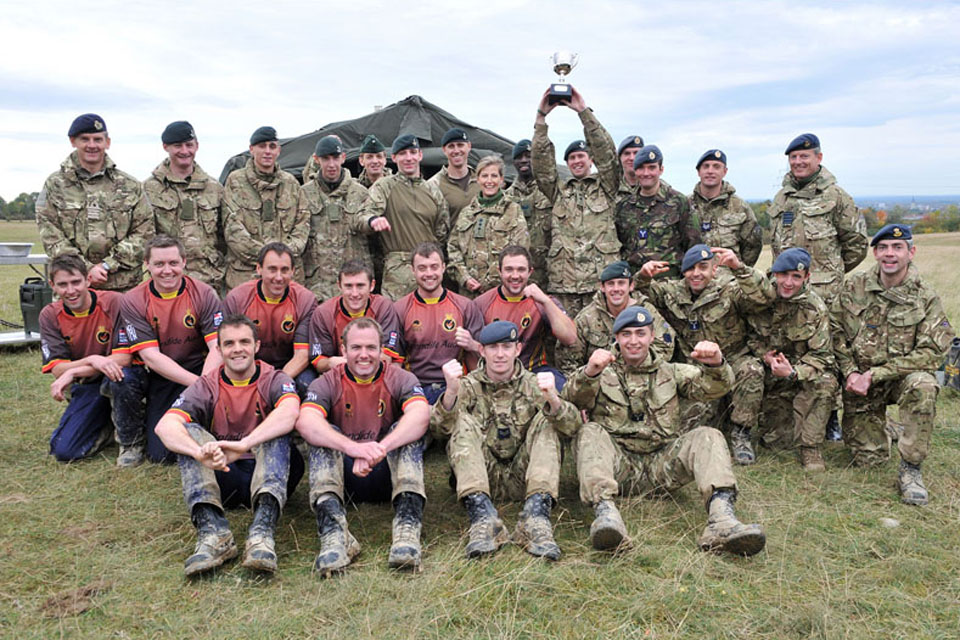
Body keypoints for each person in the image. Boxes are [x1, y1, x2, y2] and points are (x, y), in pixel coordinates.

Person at [560, 306, 766, 556]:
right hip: (617, 466)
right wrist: (589, 372)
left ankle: (722, 520)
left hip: (663, 466)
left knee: (708, 435)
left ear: (651, 335)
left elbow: (715, 388)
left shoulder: (671, 371)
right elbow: (569, 399)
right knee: (589, 431)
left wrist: (716, 364)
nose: (633, 341)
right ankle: (607, 516)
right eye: (626, 335)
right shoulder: (601, 371)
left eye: (640, 334)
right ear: (617, 338)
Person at [155, 314, 302, 576]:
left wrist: (245, 443)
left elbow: (291, 412)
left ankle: (262, 534)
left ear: (256, 346)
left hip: (270, 472)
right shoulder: (206, 385)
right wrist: (198, 452)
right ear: (219, 349)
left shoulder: (275, 378)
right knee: (185, 433)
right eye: (230, 343)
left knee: (277, 428)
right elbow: (164, 426)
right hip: (225, 475)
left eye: (244, 342)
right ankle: (214, 534)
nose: (237, 349)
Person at [432, 321, 579, 560]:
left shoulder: (533, 384)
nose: (500, 354)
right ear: (481, 351)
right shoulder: (468, 385)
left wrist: (553, 399)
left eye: (506, 347)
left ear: (517, 350)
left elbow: (572, 428)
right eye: (493, 347)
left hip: (524, 476)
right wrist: (450, 392)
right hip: (483, 477)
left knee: (547, 422)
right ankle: (482, 518)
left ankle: (536, 517)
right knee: (461, 421)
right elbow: (439, 429)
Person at [831, 224, 954, 504]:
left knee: (924, 385)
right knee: (869, 460)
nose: (890, 254)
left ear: (911, 252)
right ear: (874, 253)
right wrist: (850, 372)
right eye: (883, 248)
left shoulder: (926, 296)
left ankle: (911, 468)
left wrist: (875, 374)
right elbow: (834, 329)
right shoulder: (854, 286)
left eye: (897, 248)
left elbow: (934, 351)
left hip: (898, 379)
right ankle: (888, 426)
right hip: (859, 383)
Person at [297, 317, 431, 574]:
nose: (364, 355)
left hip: (388, 473)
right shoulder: (326, 381)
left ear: (382, 350)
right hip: (344, 477)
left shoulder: (400, 377)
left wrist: (378, 449)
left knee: (407, 433)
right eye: (356, 348)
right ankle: (334, 535)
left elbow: (421, 415)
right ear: (343, 350)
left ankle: (407, 531)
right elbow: (306, 422)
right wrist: (354, 449)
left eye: (371, 348)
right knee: (324, 436)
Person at [769, 133, 869, 442]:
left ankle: (831, 417)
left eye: (805, 157)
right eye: (794, 158)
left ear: (819, 159)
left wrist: (828, 274)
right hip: (787, 292)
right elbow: (775, 244)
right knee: (791, 348)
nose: (798, 162)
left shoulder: (836, 197)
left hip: (826, 293)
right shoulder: (781, 199)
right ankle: (788, 413)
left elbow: (856, 244)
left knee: (831, 353)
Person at [638, 246, 769, 464]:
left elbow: (764, 297)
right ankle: (720, 418)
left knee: (752, 370)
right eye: (690, 268)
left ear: (714, 270)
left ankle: (741, 432)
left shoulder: (730, 289)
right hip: (697, 368)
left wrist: (739, 267)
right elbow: (640, 292)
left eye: (703, 267)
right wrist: (642, 276)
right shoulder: (673, 291)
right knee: (685, 431)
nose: (696, 273)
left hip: (734, 359)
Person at [106, 235, 223, 466]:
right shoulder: (133, 300)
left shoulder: (204, 293)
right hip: (162, 374)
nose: (166, 270)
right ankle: (132, 441)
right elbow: (151, 356)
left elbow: (217, 348)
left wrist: (206, 385)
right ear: (146, 265)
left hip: (203, 370)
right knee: (161, 455)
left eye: (173, 263)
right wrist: (196, 385)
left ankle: (204, 426)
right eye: (159, 264)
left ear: (184, 262)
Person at [36, 113, 152, 292]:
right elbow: (50, 233)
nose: (92, 145)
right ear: (73, 141)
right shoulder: (54, 185)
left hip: (124, 287)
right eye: (85, 139)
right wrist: (86, 269)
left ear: (108, 142)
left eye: (98, 139)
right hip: (73, 287)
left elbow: (144, 232)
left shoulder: (130, 185)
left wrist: (107, 265)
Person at [532, 87, 621, 317]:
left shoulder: (607, 187)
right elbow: (541, 164)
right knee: (567, 346)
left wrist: (583, 111)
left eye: (581, 156)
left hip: (601, 284)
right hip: (565, 288)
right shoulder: (559, 192)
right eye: (572, 157)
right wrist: (541, 118)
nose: (577, 160)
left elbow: (608, 154)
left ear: (590, 160)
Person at [746, 248, 836, 470]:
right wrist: (764, 356)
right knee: (775, 442)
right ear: (774, 273)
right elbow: (746, 337)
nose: (788, 282)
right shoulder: (758, 299)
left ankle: (811, 447)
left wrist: (794, 372)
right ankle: (742, 430)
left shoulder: (815, 309)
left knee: (826, 381)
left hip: (799, 375)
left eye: (796, 277)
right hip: (769, 374)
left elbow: (822, 356)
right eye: (783, 274)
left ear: (806, 277)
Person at [39, 254, 129, 461]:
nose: (70, 291)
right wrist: (93, 360)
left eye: (76, 282)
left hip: (119, 381)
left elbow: (125, 358)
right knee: (64, 451)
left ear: (88, 280)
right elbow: (58, 369)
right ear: (52, 285)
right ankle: (107, 427)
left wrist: (74, 369)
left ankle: (130, 435)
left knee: (125, 380)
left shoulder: (115, 302)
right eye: (62, 284)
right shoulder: (49, 315)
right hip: (87, 387)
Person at [358, 135, 450, 300]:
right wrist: (373, 221)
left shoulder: (433, 190)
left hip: (428, 270)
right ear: (393, 158)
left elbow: (442, 230)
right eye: (402, 154)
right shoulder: (384, 186)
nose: (408, 158)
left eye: (413, 152)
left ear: (420, 155)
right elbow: (363, 216)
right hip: (397, 274)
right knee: (396, 322)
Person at [472, 246, 576, 387]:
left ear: (530, 272)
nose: (515, 276)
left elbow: (570, 338)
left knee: (562, 391)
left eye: (521, 270)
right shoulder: (482, 303)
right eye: (509, 269)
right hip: (495, 372)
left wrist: (546, 302)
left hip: (534, 370)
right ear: (499, 271)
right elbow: (474, 351)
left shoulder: (541, 301)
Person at [394, 243, 483, 404]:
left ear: (443, 267)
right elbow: (394, 363)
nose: (429, 273)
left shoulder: (465, 306)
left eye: (434, 267)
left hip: (457, 385)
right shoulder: (399, 309)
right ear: (412, 270)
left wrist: (472, 344)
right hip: (416, 387)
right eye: (422, 268)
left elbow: (485, 356)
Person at [223, 243, 318, 395]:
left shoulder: (305, 300)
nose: (279, 277)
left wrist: (275, 383)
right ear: (258, 269)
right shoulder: (237, 298)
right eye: (272, 269)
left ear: (293, 271)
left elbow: (302, 354)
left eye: (285, 270)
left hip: (289, 366)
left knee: (309, 384)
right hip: (249, 364)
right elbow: (231, 349)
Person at [223, 126, 307, 290]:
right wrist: (268, 259)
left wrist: (283, 259)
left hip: (285, 278)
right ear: (251, 149)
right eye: (262, 146)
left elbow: (302, 224)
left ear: (279, 150)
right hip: (246, 276)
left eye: (272, 146)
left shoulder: (291, 184)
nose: (267, 151)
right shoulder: (235, 182)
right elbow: (232, 228)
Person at [144, 120, 225, 291]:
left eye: (189, 145)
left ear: (197, 146)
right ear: (166, 147)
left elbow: (224, 235)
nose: (185, 151)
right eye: (178, 146)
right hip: (166, 280)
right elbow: (144, 235)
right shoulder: (149, 188)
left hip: (209, 280)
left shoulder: (214, 188)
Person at [556, 260, 673, 375]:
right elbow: (568, 361)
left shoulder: (647, 312)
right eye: (611, 284)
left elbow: (666, 346)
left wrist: (636, 369)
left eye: (621, 283)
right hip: (601, 382)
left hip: (642, 378)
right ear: (602, 287)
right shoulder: (586, 318)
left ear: (631, 286)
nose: (616, 289)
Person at [299, 135, 372, 301]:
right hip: (316, 286)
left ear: (343, 158)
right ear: (317, 159)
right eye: (326, 159)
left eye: (336, 158)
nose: (331, 164)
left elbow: (373, 242)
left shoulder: (360, 193)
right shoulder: (304, 194)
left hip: (353, 285)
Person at [447, 155, 530, 297]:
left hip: (502, 292)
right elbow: (453, 249)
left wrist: (490, 282)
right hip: (469, 293)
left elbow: (520, 249)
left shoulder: (512, 210)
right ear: (478, 179)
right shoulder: (467, 213)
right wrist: (465, 278)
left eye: (494, 176)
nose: (489, 181)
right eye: (484, 176)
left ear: (502, 179)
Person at [617, 145, 701, 280]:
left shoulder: (679, 202)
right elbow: (621, 246)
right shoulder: (624, 206)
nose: (646, 173)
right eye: (641, 168)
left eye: (651, 167)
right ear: (635, 170)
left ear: (661, 170)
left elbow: (693, 243)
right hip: (635, 282)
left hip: (670, 282)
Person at [309, 259, 403, 375]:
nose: (354, 293)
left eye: (360, 286)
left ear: (372, 285)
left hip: (376, 372)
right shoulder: (323, 313)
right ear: (339, 286)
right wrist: (329, 363)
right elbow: (318, 362)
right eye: (348, 286)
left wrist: (351, 361)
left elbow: (387, 357)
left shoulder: (383, 307)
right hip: (339, 374)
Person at [688, 149, 761, 267]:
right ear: (698, 171)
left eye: (716, 167)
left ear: (725, 171)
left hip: (729, 281)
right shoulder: (685, 205)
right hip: (694, 278)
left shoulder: (740, 207)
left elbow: (752, 246)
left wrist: (737, 271)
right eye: (706, 166)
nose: (710, 171)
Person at [505, 138, 552, 289]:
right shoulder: (506, 197)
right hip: (516, 275)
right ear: (513, 162)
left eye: (528, 156)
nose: (524, 160)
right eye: (519, 157)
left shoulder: (549, 192)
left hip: (548, 273)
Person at [427, 127, 480, 226]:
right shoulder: (433, 185)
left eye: (460, 145)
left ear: (469, 146)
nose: (456, 150)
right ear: (444, 150)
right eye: (451, 146)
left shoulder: (482, 181)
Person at [616, 135, 644, 204]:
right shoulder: (611, 187)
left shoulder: (658, 188)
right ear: (620, 158)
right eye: (627, 153)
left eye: (636, 153)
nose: (632, 158)